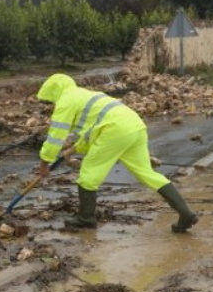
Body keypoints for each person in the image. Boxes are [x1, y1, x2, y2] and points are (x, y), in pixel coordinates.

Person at [35, 73, 198, 232]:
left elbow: (55, 138)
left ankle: (85, 219)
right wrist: (76, 147)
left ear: (54, 92)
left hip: (114, 131)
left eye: (50, 100)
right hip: (135, 126)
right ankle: (185, 213)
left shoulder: (65, 102)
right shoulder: (85, 94)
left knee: (89, 175)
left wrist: (44, 164)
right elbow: (92, 129)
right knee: (147, 173)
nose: (51, 104)